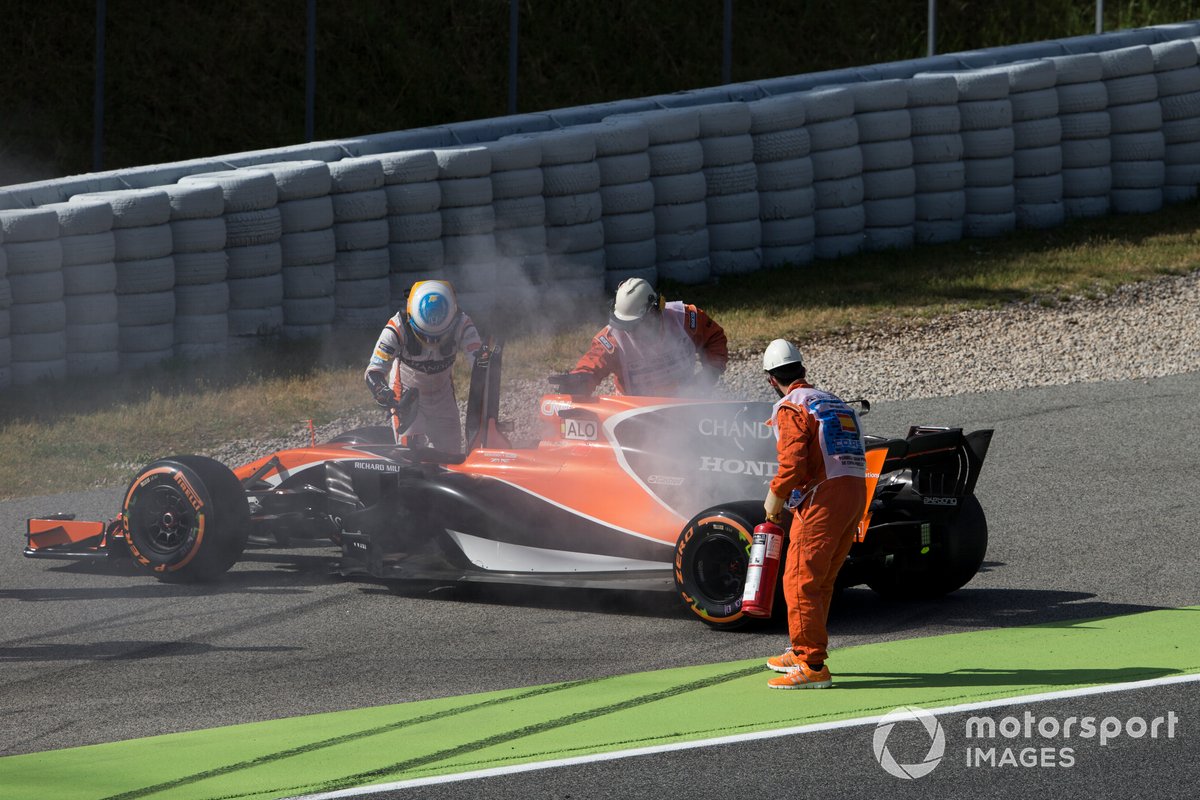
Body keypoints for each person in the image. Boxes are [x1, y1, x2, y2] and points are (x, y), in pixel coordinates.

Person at [760, 339, 867, 689]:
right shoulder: (833, 401)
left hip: (823, 499)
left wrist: (775, 495)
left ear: (770, 379)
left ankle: (812, 664)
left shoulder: (791, 407)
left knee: (800, 579)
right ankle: (802, 646)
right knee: (821, 580)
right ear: (802, 369)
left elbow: (792, 462)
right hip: (855, 493)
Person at [364, 279, 482, 451]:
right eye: (424, 336)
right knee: (410, 458)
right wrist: (383, 393)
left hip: (443, 398)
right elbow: (373, 371)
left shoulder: (463, 324)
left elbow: (480, 366)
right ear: (411, 319)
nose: (431, 342)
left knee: (452, 454)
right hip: (407, 398)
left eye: (439, 336)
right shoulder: (397, 327)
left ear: (452, 319)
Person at [565, 278, 728, 396]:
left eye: (635, 325)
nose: (629, 331)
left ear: (654, 313)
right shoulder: (612, 339)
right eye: (625, 325)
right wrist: (579, 380)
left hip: (684, 405)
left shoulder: (685, 318)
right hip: (633, 414)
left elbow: (714, 338)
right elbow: (592, 365)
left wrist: (710, 372)